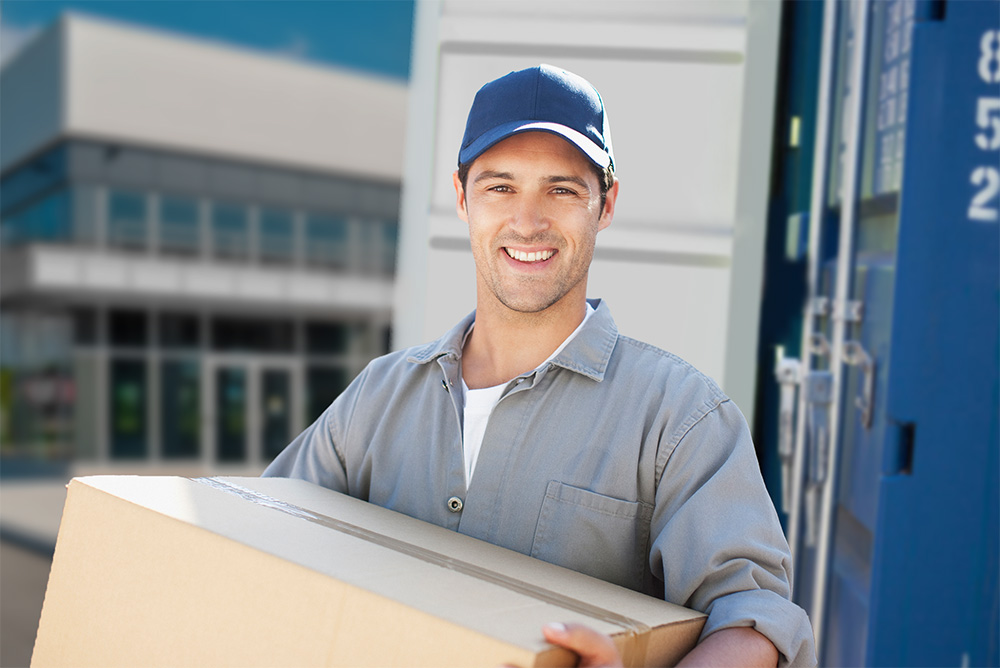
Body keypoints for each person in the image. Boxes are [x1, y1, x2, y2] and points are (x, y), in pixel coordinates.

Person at [264, 64, 816, 667]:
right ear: (461, 198)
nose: (528, 222)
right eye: (500, 187)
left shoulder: (680, 417)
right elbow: (261, 537)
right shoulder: (378, 396)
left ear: (604, 205)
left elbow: (754, 619)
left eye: (561, 189)